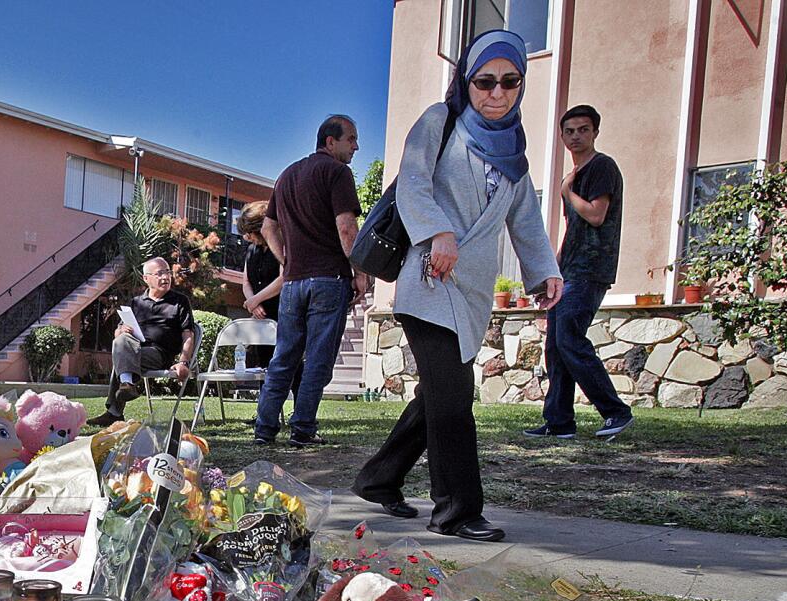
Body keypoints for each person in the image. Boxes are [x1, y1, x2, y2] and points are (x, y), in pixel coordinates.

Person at [352, 31, 563, 542]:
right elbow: (414, 182)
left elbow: (526, 217)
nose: (497, 93)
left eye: (509, 82)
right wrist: (436, 231)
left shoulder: (515, 150)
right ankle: (458, 511)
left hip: (471, 291)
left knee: (438, 396)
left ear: (521, 85)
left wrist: (544, 270)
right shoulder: (438, 122)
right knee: (453, 397)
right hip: (427, 278)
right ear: (466, 82)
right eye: (484, 81)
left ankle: (379, 479)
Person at [253, 115, 365, 446]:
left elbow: (267, 227)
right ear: (330, 141)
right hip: (329, 279)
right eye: (351, 139)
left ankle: (264, 428)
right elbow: (347, 228)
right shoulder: (337, 172)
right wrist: (361, 273)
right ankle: (302, 430)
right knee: (318, 357)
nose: (356, 146)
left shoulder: (287, 175)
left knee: (284, 356)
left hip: (293, 283)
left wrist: (285, 260)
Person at [524, 104, 634, 440]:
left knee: (570, 339)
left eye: (583, 129)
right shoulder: (573, 175)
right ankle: (559, 423)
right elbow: (572, 231)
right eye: (569, 131)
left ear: (595, 132)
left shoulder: (602, 167)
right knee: (556, 346)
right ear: (562, 135)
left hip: (591, 269)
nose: (575, 136)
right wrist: (551, 273)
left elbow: (597, 215)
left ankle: (616, 412)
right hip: (569, 271)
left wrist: (567, 191)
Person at [90, 257, 197, 427]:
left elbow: (188, 334)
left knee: (121, 355)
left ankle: (116, 408)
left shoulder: (180, 301)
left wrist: (183, 361)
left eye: (167, 272)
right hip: (135, 349)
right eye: (159, 274)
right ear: (146, 278)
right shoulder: (136, 302)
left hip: (160, 354)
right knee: (121, 342)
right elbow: (118, 332)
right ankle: (126, 386)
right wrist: (121, 330)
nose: (165, 277)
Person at [238, 202, 288, 375]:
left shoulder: (282, 244)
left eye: (249, 233)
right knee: (263, 366)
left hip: (281, 313)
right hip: (260, 316)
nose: (247, 237)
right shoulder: (252, 250)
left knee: (284, 364)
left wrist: (255, 300)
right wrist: (253, 303)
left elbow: (283, 278)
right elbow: (246, 282)